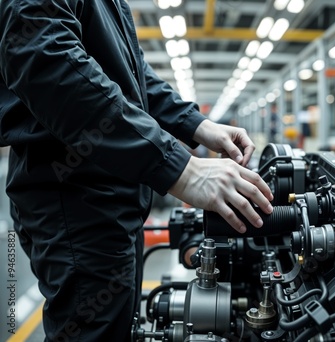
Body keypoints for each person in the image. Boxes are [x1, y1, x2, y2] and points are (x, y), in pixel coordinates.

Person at [0, 1, 273, 341]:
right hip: (76, 202)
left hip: (114, 199)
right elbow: (51, 67)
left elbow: (132, 76)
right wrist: (185, 171)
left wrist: (197, 125)